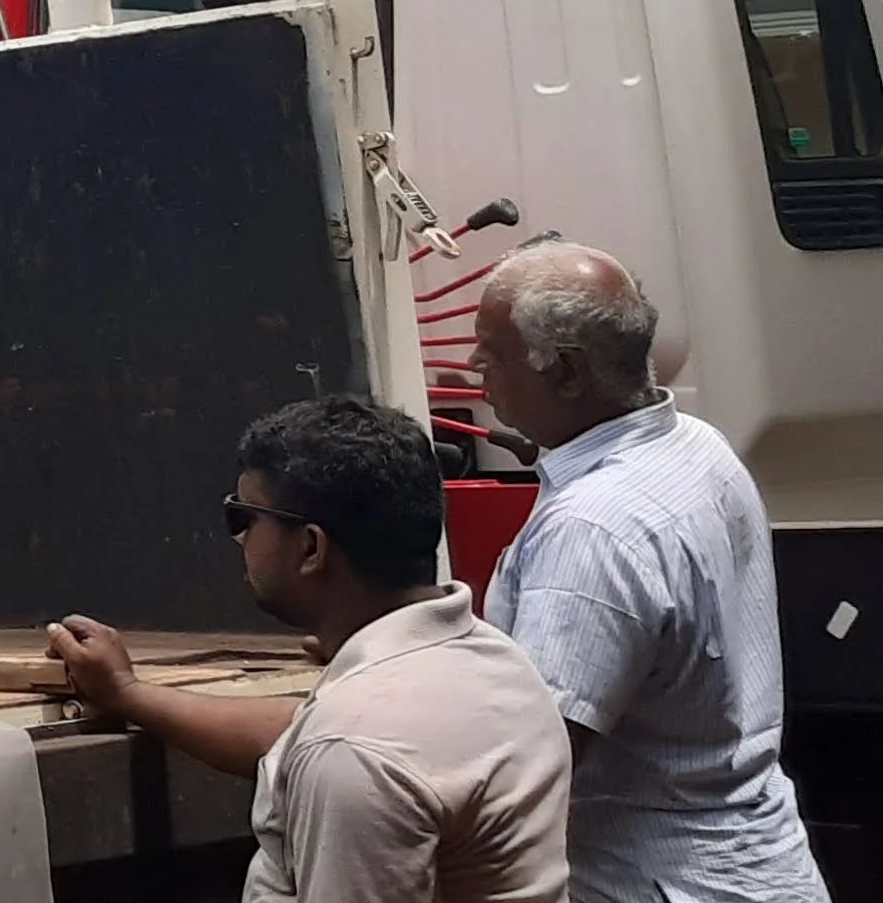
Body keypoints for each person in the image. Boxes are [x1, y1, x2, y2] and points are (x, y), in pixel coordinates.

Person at [49, 394, 571, 903]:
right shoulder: (491, 662)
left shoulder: (356, 745)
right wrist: (126, 692)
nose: (239, 540)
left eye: (243, 518)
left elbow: (347, 751)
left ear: (311, 548)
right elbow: (305, 738)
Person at [474, 242, 827, 902]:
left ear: (570, 372)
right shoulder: (698, 445)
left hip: (660, 881)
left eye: (493, 352)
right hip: (760, 862)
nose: (475, 368)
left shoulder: (592, 528)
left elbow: (534, 765)